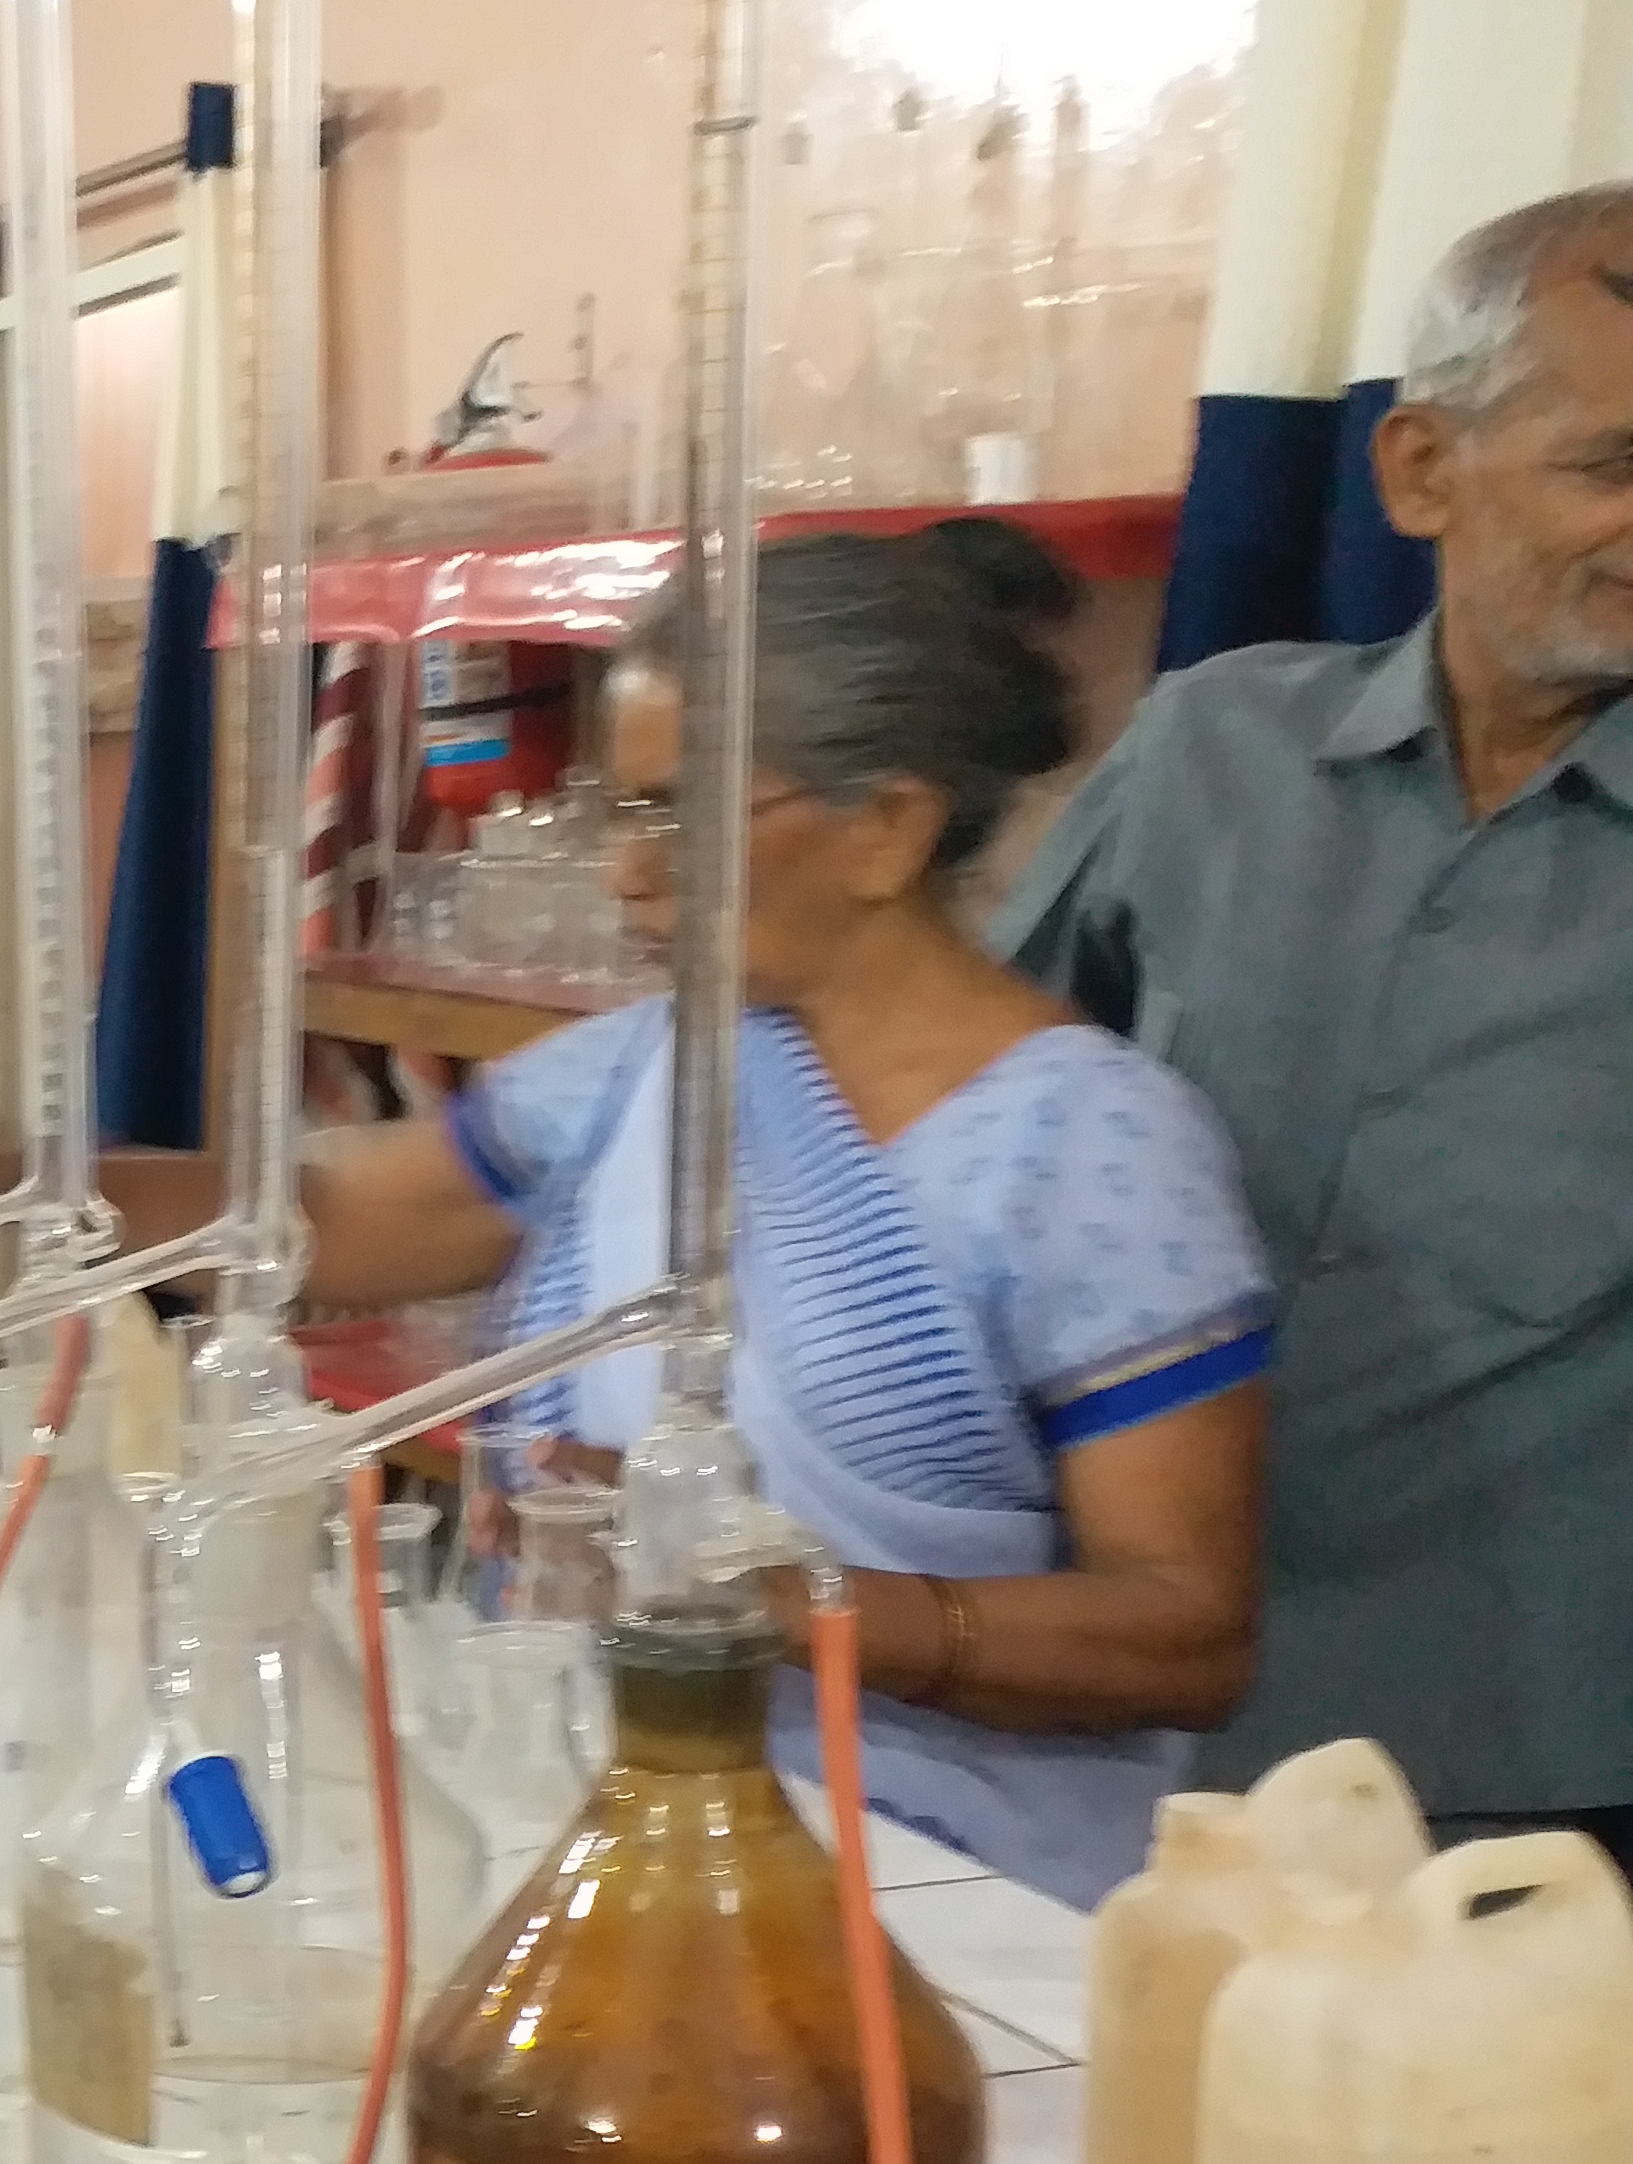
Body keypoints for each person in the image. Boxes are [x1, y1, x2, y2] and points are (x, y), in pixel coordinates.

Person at [140, 523, 1274, 1908]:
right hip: (616, 1823)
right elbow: (333, 1221)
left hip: (927, 1884)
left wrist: (791, 1604)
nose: (627, 868)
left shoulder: (1090, 1146)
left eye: (679, 813)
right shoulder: (653, 1067)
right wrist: (42, 1189)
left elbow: (1181, 1635)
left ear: (886, 828)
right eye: (621, 810)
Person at [1005, 183, 1633, 1875]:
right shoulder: (1218, 751)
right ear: (1422, 469)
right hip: (1134, 1721)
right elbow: (977, 1106)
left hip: (1545, 1788)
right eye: (1615, 467)